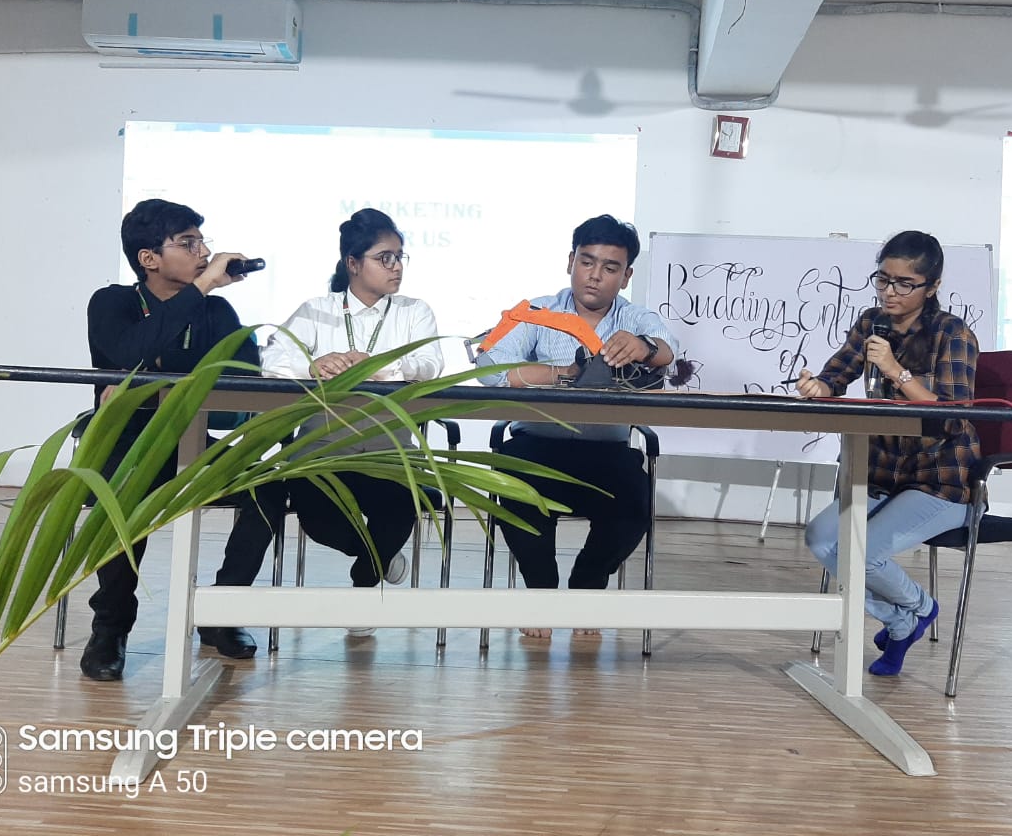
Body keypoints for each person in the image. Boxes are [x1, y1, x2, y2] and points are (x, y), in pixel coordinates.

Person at [81, 199, 286, 681]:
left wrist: (157, 378)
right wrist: (200, 290)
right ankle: (110, 627)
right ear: (149, 258)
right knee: (121, 496)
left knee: (268, 488)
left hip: (192, 440)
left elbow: (243, 386)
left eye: (202, 242)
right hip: (126, 442)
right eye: (189, 243)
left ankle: (221, 612)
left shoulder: (217, 311)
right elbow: (130, 349)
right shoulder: (112, 302)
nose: (205, 253)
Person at [476, 214, 679, 639]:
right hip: (537, 445)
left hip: (606, 453)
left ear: (626, 276)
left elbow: (668, 351)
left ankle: (587, 588)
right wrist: (563, 374)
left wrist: (643, 347)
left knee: (634, 505)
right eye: (587, 262)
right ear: (571, 261)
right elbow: (490, 369)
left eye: (610, 267)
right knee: (514, 490)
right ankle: (541, 594)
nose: (595, 275)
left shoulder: (634, 318)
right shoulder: (537, 312)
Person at [797, 230, 980, 677]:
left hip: (939, 481)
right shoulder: (871, 324)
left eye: (904, 283)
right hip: (881, 473)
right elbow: (837, 374)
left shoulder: (952, 334)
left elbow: (951, 417)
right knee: (821, 539)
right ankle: (904, 618)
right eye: (883, 279)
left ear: (932, 286)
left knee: (862, 555)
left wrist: (895, 370)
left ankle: (919, 608)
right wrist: (816, 387)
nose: (889, 292)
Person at [260, 209, 443, 636]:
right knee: (320, 520)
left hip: (388, 453)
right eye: (385, 258)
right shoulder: (317, 311)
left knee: (399, 508)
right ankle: (379, 559)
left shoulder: (414, 311)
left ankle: (364, 586)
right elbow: (272, 361)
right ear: (353, 263)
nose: (396, 267)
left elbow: (429, 364)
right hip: (322, 453)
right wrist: (312, 366)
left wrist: (377, 367)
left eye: (399, 257)